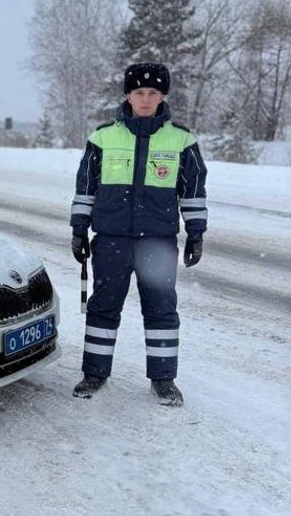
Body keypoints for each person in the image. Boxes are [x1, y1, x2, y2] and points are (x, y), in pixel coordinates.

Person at [69, 63, 207, 406]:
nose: (146, 99)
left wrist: (196, 233)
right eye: (139, 92)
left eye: (153, 93)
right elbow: (85, 188)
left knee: (161, 309)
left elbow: (193, 192)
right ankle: (95, 373)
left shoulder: (182, 140)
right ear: (128, 95)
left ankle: (164, 379)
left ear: (163, 96)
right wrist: (78, 229)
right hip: (111, 240)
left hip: (157, 242)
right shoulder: (102, 138)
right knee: (103, 307)